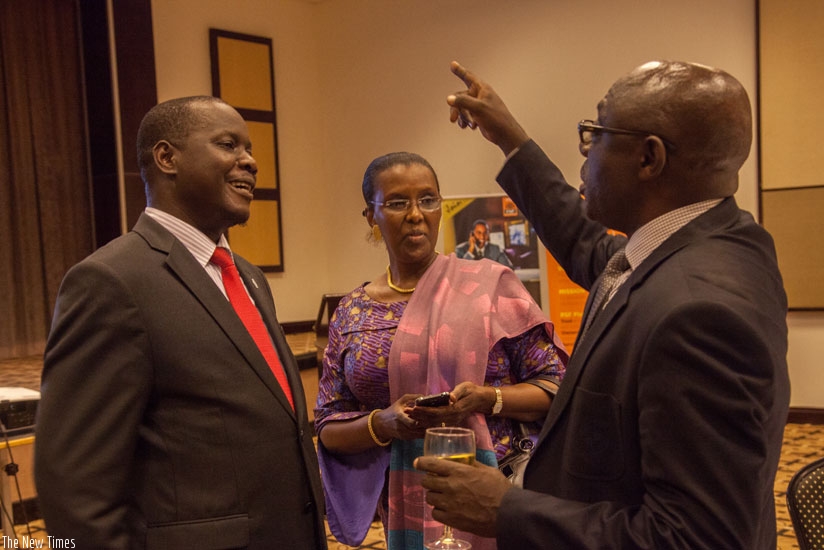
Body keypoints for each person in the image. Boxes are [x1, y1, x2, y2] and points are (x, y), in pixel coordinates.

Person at [415, 61, 790, 549]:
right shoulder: (719, 242)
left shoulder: (697, 314)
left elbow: (697, 540)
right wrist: (511, 139)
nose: (585, 150)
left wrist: (507, 509)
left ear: (648, 158)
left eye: (595, 132)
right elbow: (590, 248)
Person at [35, 96, 327, 549]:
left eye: (249, 149)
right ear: (167, 157)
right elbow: (74, 489)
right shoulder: (111, 282)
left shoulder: (247, 276)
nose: (249, 161)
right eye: (228, 145)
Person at [314, 152, 567, 549]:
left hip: (498, 494)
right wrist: (384, 424)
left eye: (428, 200)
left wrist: (485, 399)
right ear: (371, 216)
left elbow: (557, 387)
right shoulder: (352, 311)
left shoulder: (489, 287)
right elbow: (328, 427)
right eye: (397, 203)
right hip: (402, 507)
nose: (416, 214)